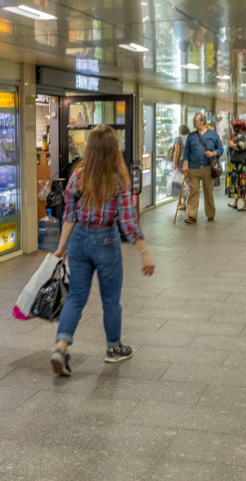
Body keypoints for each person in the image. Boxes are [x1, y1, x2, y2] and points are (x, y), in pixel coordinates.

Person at [51, 125, 155, 377]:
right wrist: (145, 253)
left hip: (78, 240)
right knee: (110, 300)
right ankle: (113, 348)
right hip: (105, 240)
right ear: (113, 150)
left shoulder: (77, 177)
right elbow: (128, 222)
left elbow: (69, 216)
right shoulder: (118, 180)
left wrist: (61, 248)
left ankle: (61, 347)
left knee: (76, 297)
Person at [181, 113, 224, 224]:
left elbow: (221, 149)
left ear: (202, 122)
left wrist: (213, 153)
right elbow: (186, 152)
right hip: (193, 167)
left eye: (195, 121)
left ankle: (210, 214)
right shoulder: (191, 136)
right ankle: (192, 216)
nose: (193, 123)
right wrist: (185, 165)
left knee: (208, 191)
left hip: (208, 167)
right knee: (194, 191)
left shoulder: (213, 134)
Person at [227, 120, 246, 211]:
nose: (231, 129)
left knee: (243, 183)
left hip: (242, 165)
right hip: (239, 165)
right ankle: (235, 202)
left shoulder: (240, 137)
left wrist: (231, 145)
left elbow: (242, 147)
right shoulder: (241, 136)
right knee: (238, 183)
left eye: (232, 127)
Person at [172, 125, 190, 210]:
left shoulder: (178, 139)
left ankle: (179, 201)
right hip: (189, 163)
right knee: (185, 182)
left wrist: (174, 162)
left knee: (179, 181)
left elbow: (177, 151)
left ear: (180, 131)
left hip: (180, 163)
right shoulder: (190, 139)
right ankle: (183, 203)